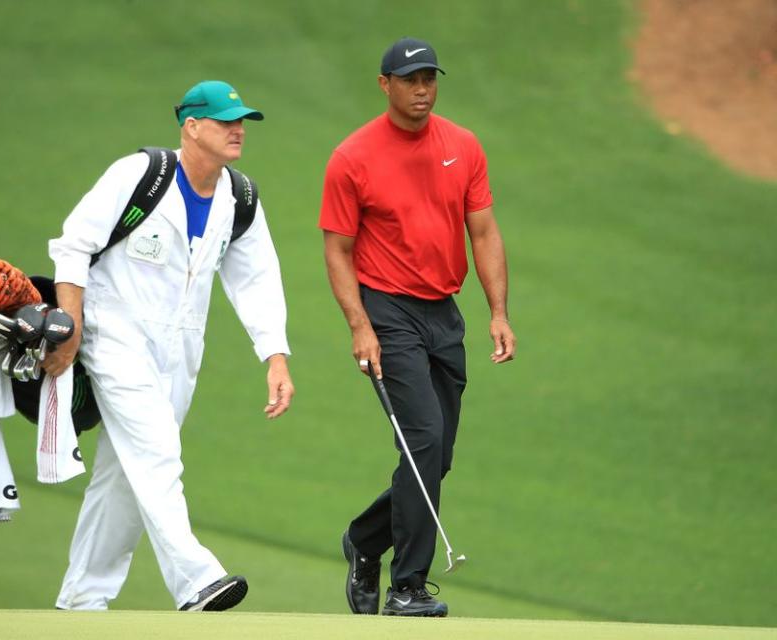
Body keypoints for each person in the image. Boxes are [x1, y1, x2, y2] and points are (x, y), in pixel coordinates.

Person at [43, 80, 294, 612]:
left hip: (180, 353)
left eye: (241, 120)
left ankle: (82, 598)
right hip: (114, 334)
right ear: (192, 127)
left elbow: (257, 280)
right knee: (158, 453)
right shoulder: (140, 175)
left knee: (125, 477)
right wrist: (70, 327)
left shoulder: (239, 198)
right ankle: (196, 580)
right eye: (225, 120)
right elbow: (74, 244)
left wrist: (274, 356)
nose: (238, 129)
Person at [319, 37, 516, 617]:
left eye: (429, 77)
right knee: (423, 438)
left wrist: (498, 312)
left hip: (443, 313)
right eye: (409, 79)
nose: (422, 89)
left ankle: (365, 539)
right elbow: (338, 249)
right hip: (387, 312)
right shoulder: (353, 157)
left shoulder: (463, 145)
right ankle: (408, 586)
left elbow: (482, 232)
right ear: (385, 85)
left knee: (436, 453)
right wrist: (359, 325)